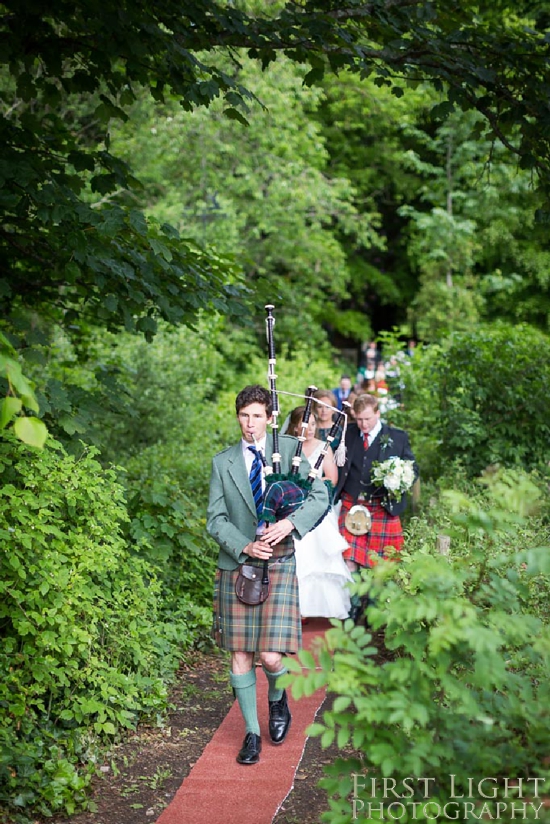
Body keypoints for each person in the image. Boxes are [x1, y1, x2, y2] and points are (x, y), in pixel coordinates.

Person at [206, 385, 329, 766]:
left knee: (271, 656)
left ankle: (278, 700)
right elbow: (215, 519)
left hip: (279, 562)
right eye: (244, 416)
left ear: (270, 418)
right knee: (241, 653)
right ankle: (252, 733)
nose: (249, 423)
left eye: (257, 416)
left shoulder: (289, 451)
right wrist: (244, 545)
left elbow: (319, 497)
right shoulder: (222, 462)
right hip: (239, 567)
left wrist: (290, 523)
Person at [333, 393, 418, 621]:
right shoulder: (347, 434)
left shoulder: (397, 437)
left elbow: (412, 468)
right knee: (348, 558)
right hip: (352, 505)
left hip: (382, 507)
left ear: (378, 413)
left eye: (368, 419)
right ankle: (350, 613)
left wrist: (400, 479)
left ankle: (371, 612)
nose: (363, 424)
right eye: (359, 419)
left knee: (379, 564)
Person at [285, 406, 352, 620]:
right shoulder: (288, 448)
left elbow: (331, 478)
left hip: (317, 506)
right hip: (293, 507)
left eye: (314, 424)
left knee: (319, 556)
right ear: (296, 428)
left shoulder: (324, 447)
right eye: (306, 425)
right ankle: (298, 608)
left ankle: (324, 608)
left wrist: (311, 486)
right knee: (298, 554)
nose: (311, 429)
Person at [313, 389, 343, 453]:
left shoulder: (341, 431)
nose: (324, 410)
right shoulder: (310, 429)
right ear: (315, 409)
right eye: (320, 407)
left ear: (334, 409)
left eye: (327, 407)